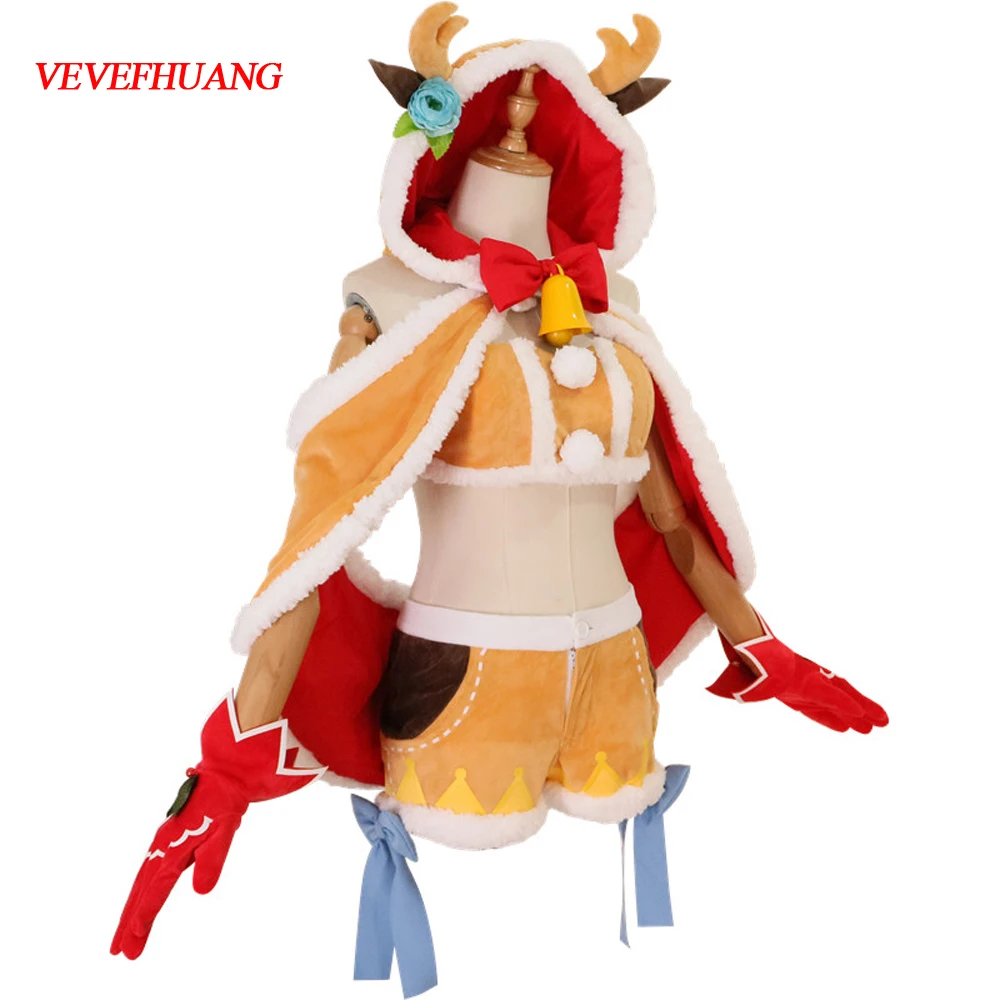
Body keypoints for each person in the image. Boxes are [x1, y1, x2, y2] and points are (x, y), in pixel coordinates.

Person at [112, 5, 887, 992]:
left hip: (616, 674)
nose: (525, 121)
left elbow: (665, 512)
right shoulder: (388, 303)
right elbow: (328, 518)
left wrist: (762, 647)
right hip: (467, 674)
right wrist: (232, 752)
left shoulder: (613, 309)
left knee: (626, 968)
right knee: (494, 951)